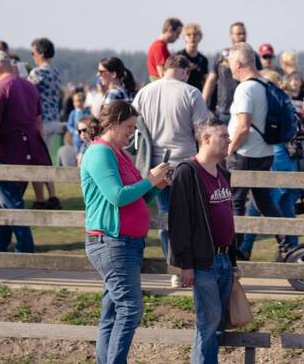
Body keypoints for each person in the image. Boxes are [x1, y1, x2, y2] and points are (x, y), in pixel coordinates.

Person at [81, 101, 170, 364]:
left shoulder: (119, 153)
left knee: (112, 314)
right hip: (112, 241)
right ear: (113, 123)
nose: (132, 132)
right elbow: (117, 196)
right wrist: (150, 180)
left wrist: (156, 186)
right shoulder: (101, 153)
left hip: (124, 243)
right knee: (131, 309)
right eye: (129, 127)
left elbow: (136, 198)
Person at [132, 54, 209, 270]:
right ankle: (187, 265)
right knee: (189, 215)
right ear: (185, 71)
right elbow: (201, 132)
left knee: (165, 213)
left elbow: (134, 125)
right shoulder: (191, 92)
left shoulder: (144, 92)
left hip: (153, 163)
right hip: (185, 161)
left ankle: (172, 264)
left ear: (165, 69)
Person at [168, 118, 236, 364]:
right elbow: (179, 222)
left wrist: (233, 260)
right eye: (223, 136)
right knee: (208, 321)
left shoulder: (223, 173)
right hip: (203, 262)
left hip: (224, 258)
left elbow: (227, 218)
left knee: (219, 323)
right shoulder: (188, 172)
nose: (229, 140)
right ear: (206, 139)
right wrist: (185, 264)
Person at [0, 50, 51, 254]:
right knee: (8, 202)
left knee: (12, 204)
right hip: (28, 153)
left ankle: (25, 248)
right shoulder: (29, 87)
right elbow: (38, 123)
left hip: (5, 154)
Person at [225, 42, 289, 258]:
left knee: (235, 201)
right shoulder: (265, 83)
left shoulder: (245, 89)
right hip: (265, 152)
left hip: (245, 153)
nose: (230, 67)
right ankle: (286, 243)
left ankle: (233, 251)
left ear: (238, 63)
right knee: (264, 201)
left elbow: (243, 126)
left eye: (230, 62)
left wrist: (229, 150)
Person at [27, 37, 63, 209]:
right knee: (46, 160)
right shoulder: (55, 72)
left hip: (42, 121)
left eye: (33, 52)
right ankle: (53, 196)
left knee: (36, 161)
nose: (33, 56)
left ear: (40, 53)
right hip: (54, 118)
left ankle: (40, 199)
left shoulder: (37, 73)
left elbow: (26, 93)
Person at [203, 22, 257, 122]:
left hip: (246, 109)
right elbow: (211, 80)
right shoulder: (222, 56)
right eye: (238, 34)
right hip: (224, 109)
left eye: (244, 33)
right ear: (231, 35)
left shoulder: (253, 56)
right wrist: (203, 102)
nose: (242, 36)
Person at [181, 23, 210, 93]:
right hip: (182, 93)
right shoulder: (178, 57)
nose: (192, 37)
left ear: (200, 37)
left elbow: (205, 81)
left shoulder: (203, 60)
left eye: (195, 34)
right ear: (184, 37)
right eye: (189, 35)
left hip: (197, 94)